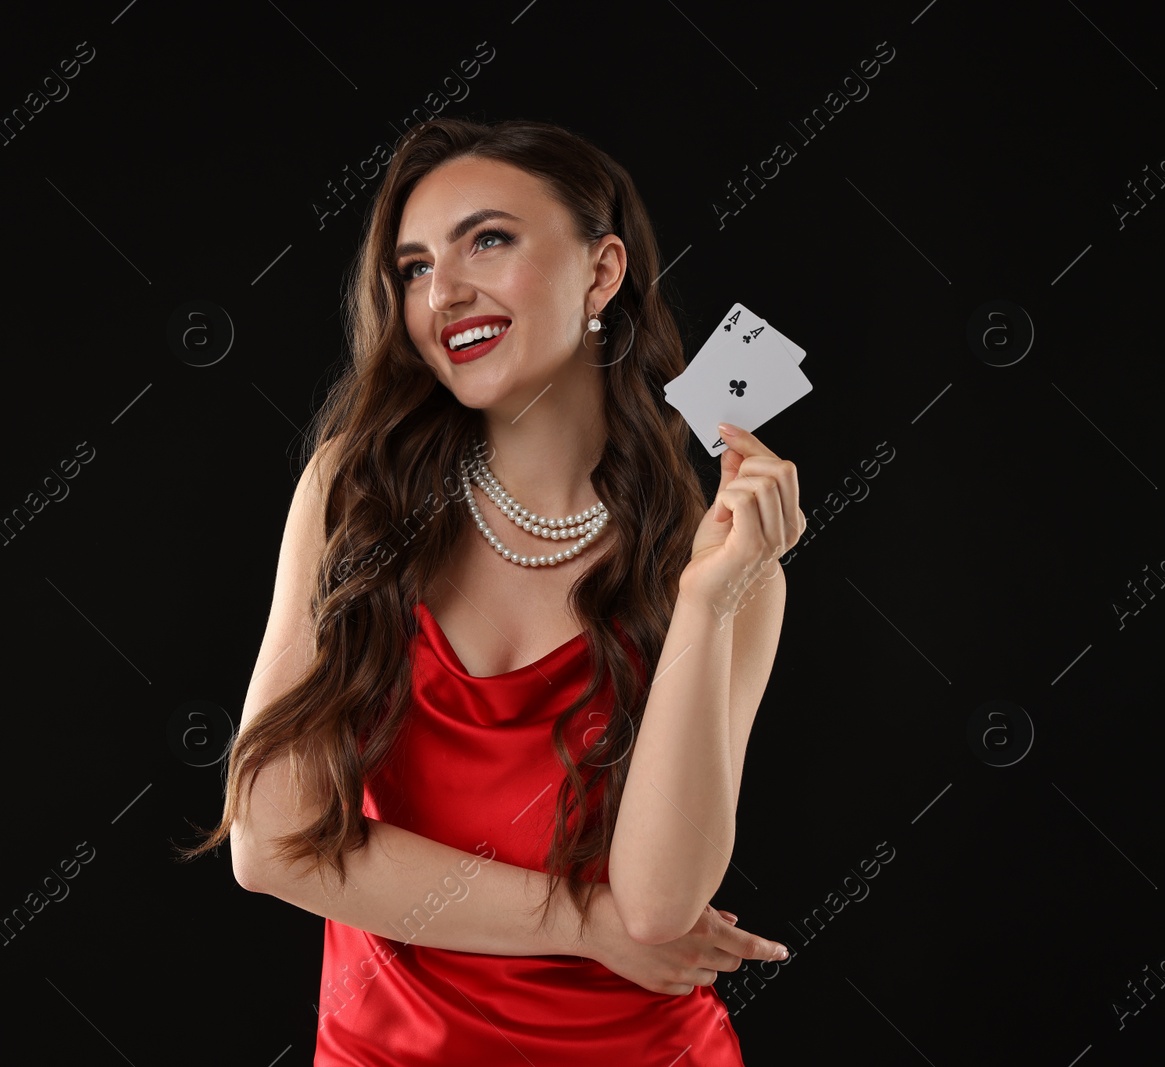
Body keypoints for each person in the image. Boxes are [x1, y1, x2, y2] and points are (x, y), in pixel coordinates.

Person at [177, 116, 804, 1064]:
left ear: (602, 273)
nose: (445, 292)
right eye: (416, 266)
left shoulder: (715, 564)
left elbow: (660, 902)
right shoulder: (356, 495)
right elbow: (270, 842)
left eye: (490, 240)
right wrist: (582, 924)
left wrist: (710, 601)